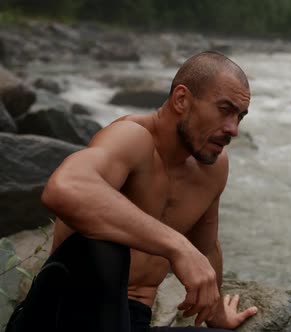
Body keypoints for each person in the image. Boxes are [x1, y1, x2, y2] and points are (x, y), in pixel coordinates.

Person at [6, 51, 257, 332]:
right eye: (225, 110)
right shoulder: (131, 137)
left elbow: (207, 248)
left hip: (133, 320)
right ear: (181, 99)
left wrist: (217, 316)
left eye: (240, 116)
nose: (233, 129)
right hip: (62, 315)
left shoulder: (212, 167)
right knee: (106, 245)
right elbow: (65, 188)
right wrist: (178, 246)